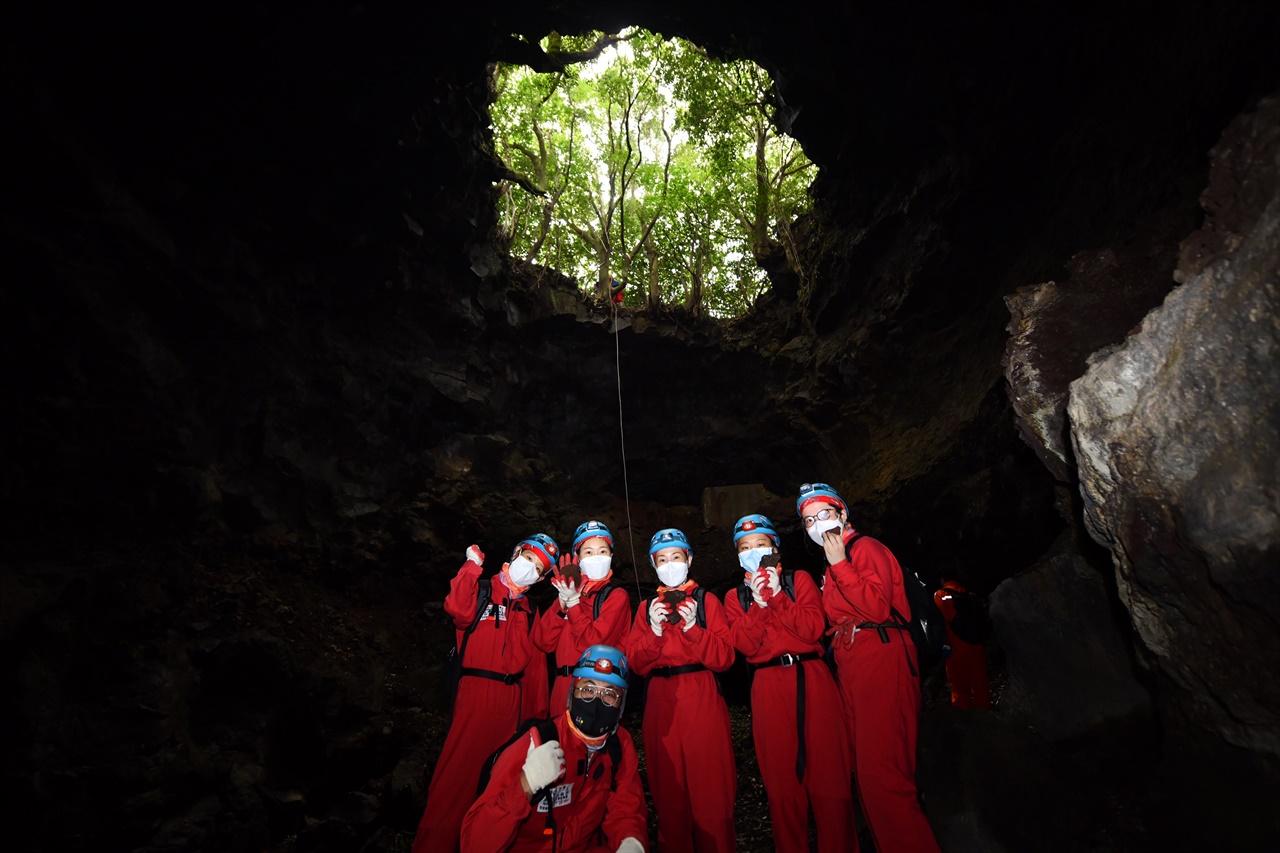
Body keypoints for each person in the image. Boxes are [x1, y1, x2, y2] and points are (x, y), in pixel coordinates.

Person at [797, 483, 940, 853]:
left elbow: (876, 608)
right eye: (808, 520)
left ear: (843, 514)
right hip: (854, 665)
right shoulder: (832, 565)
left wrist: (840, 564)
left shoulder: (865, 549)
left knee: (884, 778)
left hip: (883, 655)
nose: (816, 524)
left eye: (824, 514)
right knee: (870, 781)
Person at [720, 514, 857, 853]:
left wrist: (780, 596)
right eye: (745, 547)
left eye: (761, 544)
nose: (754, 552)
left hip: (813, 679)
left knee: (831, 778)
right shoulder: (735, 598)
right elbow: (746, 646)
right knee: (782, 786)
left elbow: (812, 629)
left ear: (775, 547)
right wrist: (760, 606)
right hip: (767, 686)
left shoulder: (800, 580)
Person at [412, 535, 557, 853]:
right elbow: (456, 609)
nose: (531, 569)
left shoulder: (530, 611)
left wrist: (537, 724)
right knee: (452, 788)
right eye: (529, 559)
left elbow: (535, 671)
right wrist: (470, 566)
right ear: (516, 553)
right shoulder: (482, 593)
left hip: (514, 706)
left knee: (499, 793)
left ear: (543, 579)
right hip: (475, 697)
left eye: (539, 569)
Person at [461, 644, 648, 853]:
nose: (596, 701)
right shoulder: (538, 742)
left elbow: (626, 809)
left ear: (621, 705)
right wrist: (526, 784)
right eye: (587, 689)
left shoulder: (618, 746)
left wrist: (631, 842)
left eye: (609, 694)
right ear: (572, 694)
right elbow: (473, 844)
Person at [624, 528, 737, 853]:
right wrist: (655, 633)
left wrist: (693, 630)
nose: (670, 564)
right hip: (660, 701)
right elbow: (634, 662)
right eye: (662, 559)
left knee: (712, 795)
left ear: (689, 559)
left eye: (676, 557)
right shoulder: (646, 608)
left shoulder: (706, 601)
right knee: (669, 797)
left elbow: (725, 657)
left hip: (701, 694)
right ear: (653, 564)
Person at [534, 520, 633, 713]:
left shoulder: (615, 596)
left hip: (596, 689)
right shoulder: (570, 592)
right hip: (561, 688)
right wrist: (562, 603)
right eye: (588, 552)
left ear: (612, 555)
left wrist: (574, 605)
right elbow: (543, 641)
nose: (596, 557)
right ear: (577, 558)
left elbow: (592, 644)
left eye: (603, 551)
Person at [933, 578, 992, 709]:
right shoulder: (970, 596)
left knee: (959, 688)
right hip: (976, 646)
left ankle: (964, 722)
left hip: (955, 648)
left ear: (943, 579)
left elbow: (939, 622)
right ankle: (986, 718)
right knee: (980, 684)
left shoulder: (941, 595)